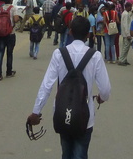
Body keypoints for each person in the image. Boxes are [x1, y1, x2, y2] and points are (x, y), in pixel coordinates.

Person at [27, 17, 111, 159]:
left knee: (66, 153)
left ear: (70, 32)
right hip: (85, 117)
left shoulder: (59, 54)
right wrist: (101, 98)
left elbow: (46, 85)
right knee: (80, 154)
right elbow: (106, 90)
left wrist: (36, 111)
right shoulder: (95, 56)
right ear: (88, 34)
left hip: (62, 113)